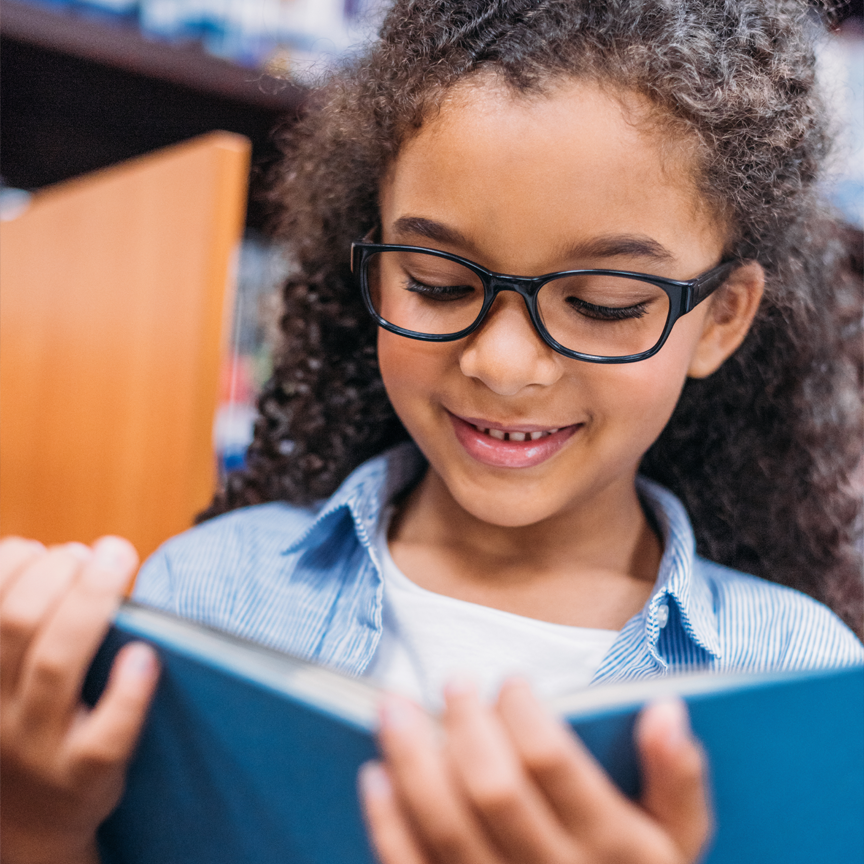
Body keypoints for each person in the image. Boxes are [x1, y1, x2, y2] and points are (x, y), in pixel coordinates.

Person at [2, 1, 862, 862]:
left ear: (721, 318)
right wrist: (38, 824)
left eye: (605, 304)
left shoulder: (801, 676)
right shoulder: (207, 592)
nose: (504, 364)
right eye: (438, 282)